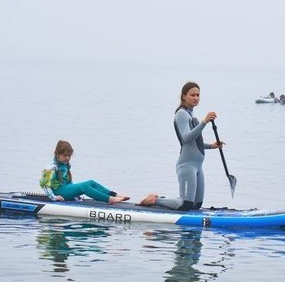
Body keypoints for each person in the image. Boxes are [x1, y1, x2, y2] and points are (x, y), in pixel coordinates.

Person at [140, 82, 224, 211]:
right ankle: (154, 200)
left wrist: (212, 146)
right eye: (192, 95)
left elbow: (195, 142)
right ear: (184, 96)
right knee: (185, 205)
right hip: (186, 165)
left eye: (198, 95)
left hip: (197, 166)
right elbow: (186, 138)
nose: (196, 98)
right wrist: (204, 122)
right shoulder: (181, 114)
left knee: (196, 204)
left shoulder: (191, 114)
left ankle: (162, 200)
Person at [39, 140, 129, 204]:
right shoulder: (51, 167)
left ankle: (115, 195)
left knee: (91, 182)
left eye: (69, 156)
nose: (67, 158)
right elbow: (44, 184)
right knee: (84, 186)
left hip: (66, 189)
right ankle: (109, 199)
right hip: (59, 192)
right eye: (65, 155)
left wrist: (75, 193)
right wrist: (54, 197)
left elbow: (69, 182)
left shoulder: (66, 165)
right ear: (57, 154)